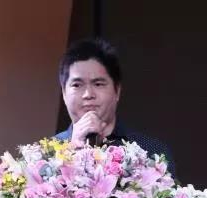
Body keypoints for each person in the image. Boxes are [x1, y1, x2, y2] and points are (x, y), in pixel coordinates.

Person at [54, 38, 176, 176]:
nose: (88, 94)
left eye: (98, 84)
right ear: (64, 93)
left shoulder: (152, 152)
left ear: (117, 91)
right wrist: (71, 150)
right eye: (77, 85)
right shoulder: (44, 156)